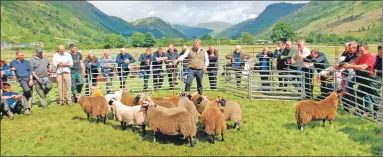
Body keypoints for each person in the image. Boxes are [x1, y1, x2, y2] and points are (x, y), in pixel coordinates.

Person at [344, 43, 381, 120]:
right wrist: (345, 65)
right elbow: (354, 63)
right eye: (359, 51)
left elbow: (363, 67)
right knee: (358, 94)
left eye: (362, 51)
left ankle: (378, 115)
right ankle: (360, 111)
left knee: (374, 98)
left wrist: (350, 66)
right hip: (364, 78)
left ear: (367, 50)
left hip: (372, 80)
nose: (360, 53)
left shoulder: (372, 57)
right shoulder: (361, 56)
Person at [339, 41, 360, 112]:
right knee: (349, 84)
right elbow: (345, 61)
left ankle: (365, 110)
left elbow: (351, 62)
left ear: (355, 48)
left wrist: (344, 64)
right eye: (348, 48)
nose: (349, 50)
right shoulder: (350, 53)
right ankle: (352, 103)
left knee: (364, 92)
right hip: (355, 72)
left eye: (350, 49)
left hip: (360, 73)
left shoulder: (358, 54)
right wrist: (341, 64)